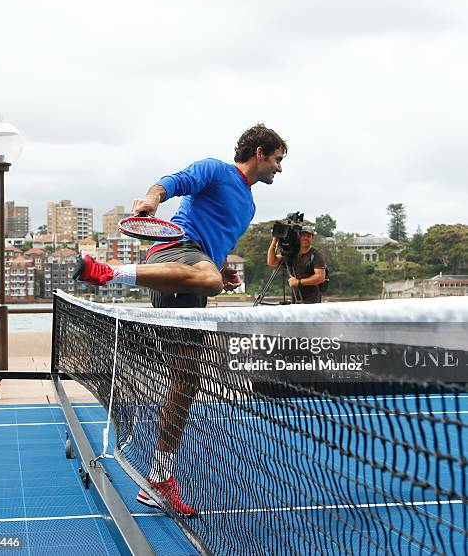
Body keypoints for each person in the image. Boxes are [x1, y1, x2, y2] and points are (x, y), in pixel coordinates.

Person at [73, 124, 287, 516]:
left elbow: (214, 245)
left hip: (190, 271)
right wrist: (153, 198)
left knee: (186, 380)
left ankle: (158, 477)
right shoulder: (218, 170)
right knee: (207, 281)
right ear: (259, 152)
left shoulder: (250, 205)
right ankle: (110, 272)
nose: (278, 168)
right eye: (277, 159)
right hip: (173, 253)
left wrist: (222, 269)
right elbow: (174, 181)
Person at [266, 225, 325, 303]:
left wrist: (299, 282)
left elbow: (320, 277)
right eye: (303, 235)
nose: (305, 238)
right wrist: (274, 241)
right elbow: (271, 262)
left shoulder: (315, 255)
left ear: (312, 238)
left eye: (308, 236)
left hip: (312, 302)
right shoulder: (292, 254)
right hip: (296, 300)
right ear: (298, 237)